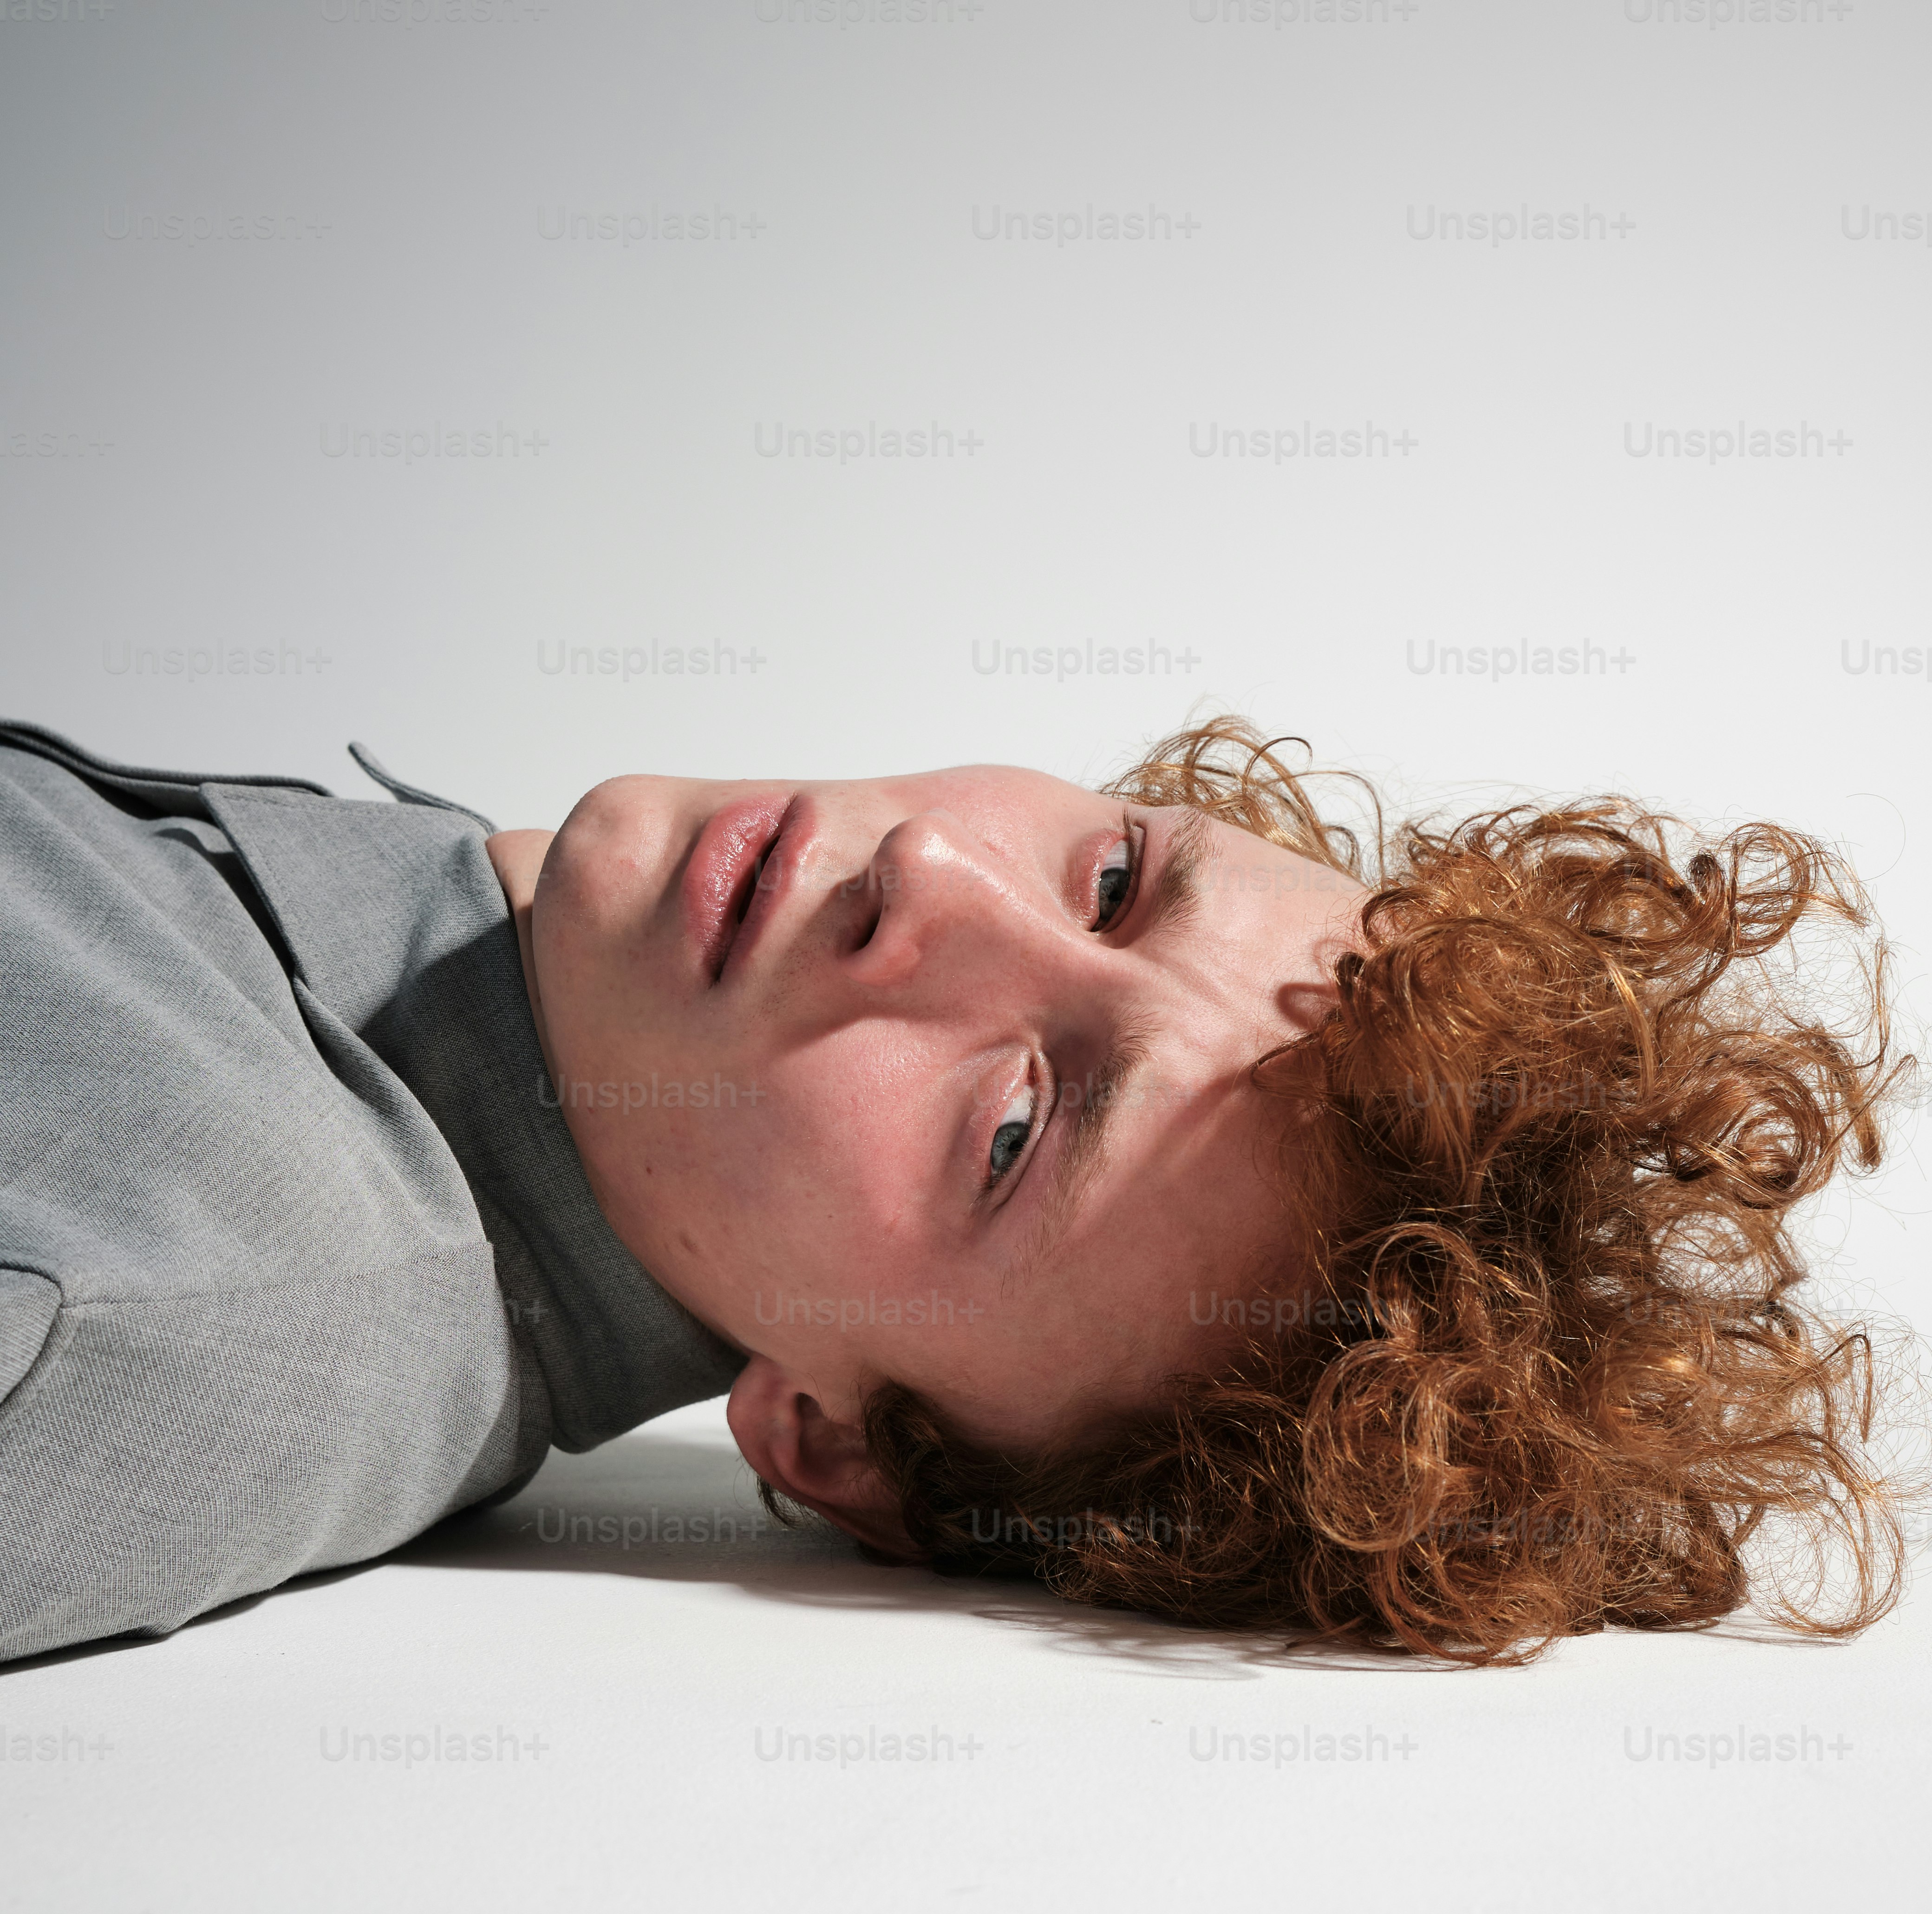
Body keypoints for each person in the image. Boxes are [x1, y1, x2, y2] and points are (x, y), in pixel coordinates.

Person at [0, 713, 1905, 1666]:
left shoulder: (142, 1288)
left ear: (837, 1446)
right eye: (1111, 883)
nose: (932, 877)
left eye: (1009, 1131)